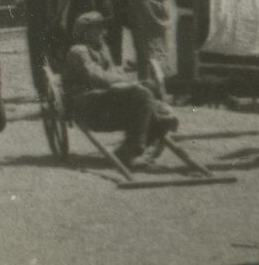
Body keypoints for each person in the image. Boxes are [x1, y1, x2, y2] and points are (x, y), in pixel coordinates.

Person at [62, 11, 177, 167]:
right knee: (142, 95)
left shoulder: (102, 50)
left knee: (160, 110)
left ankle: (128, 149)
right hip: (87, 106)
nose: (103, 31)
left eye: (103, 27)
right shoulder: (78, 51)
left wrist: (135, 79)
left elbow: (114, 73)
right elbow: (95, 75)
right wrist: (129, 82)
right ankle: (132, 150)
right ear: (85, 32)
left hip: (103, 103)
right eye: (98, 28)